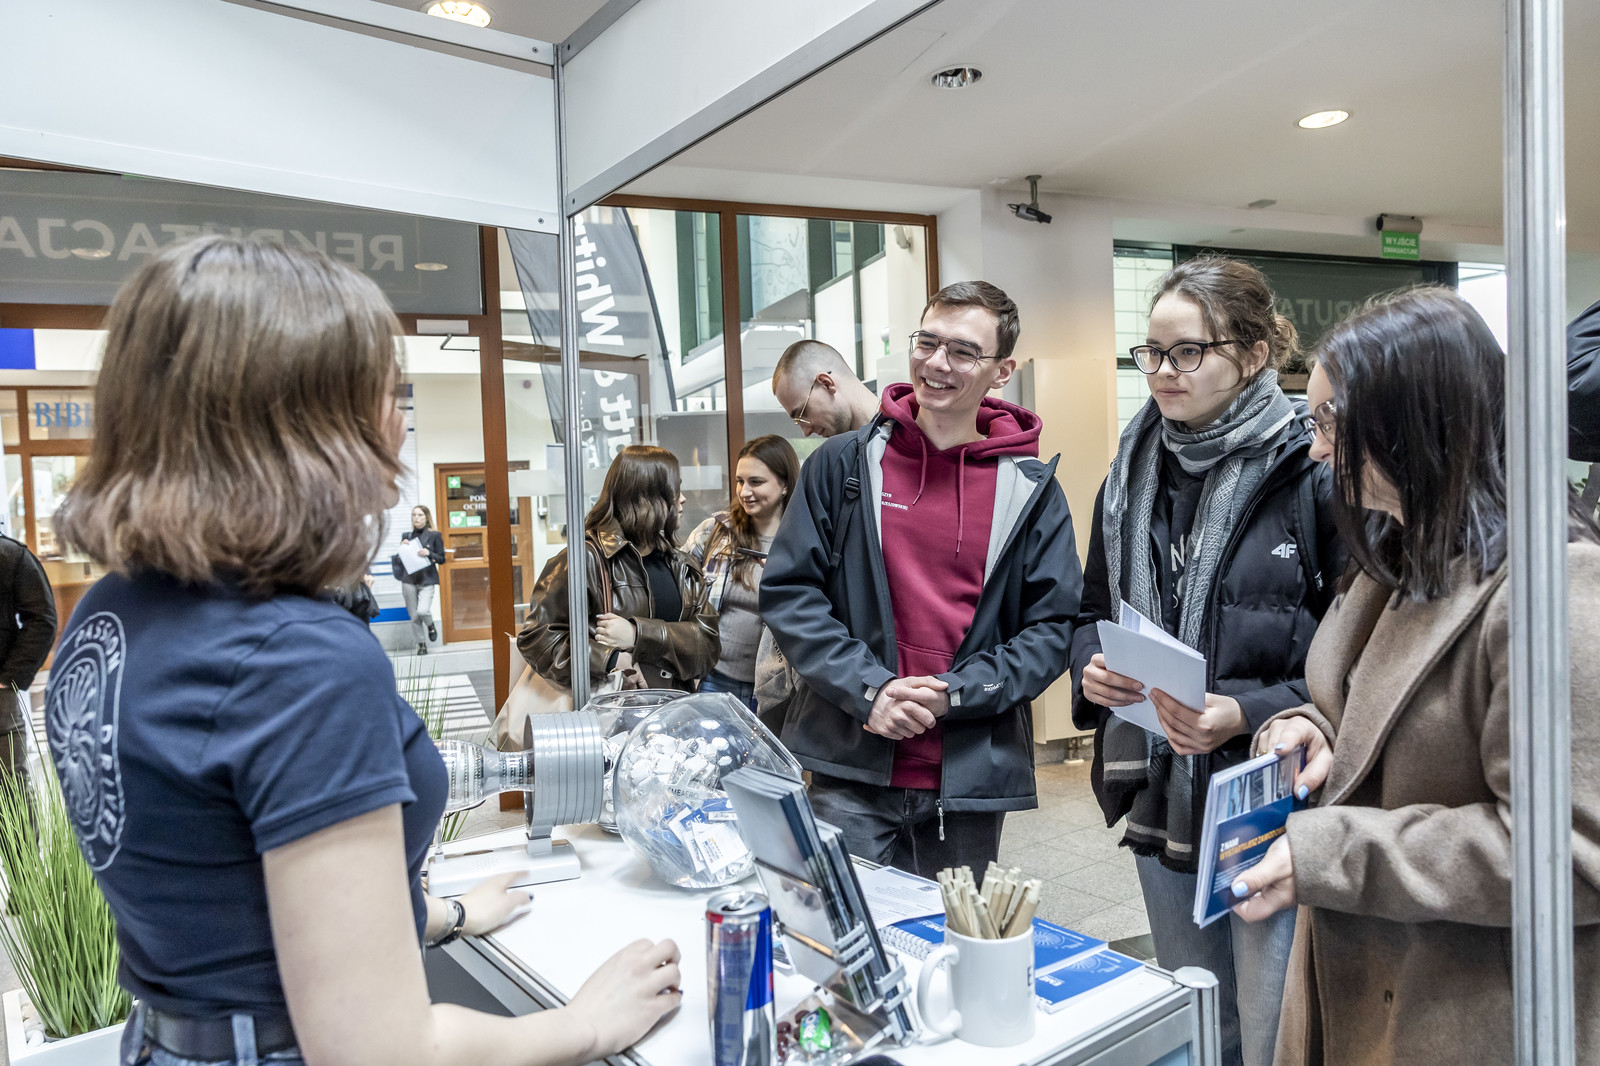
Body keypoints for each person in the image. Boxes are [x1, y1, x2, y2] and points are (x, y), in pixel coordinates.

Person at [46, 236, 680, 1066]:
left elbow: (232, 881)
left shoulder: (110, 612)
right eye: (384, 390)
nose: (397, 421)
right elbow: (380, 1049)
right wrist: (587, 1024)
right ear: (308, 421)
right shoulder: (298, 661)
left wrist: (447, 915)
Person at [1231, 287, 1600, 1066]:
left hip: (1466, 1006)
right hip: (1368, 981)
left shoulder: (1554, 586)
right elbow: (1372, 713)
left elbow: (1571, 855)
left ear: (1412, 423)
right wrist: (1313, 729)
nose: (1316, 451)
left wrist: (1336, 853)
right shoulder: (1394, 553)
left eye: (1331, 422)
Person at [1069, 256, 1339, 1066]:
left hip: (1272, 793)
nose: (1163, 371)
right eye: (1150, 352)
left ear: (1253, 354)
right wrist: (1092, 669)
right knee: (1200, 1014)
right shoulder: (1130, 475)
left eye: (1187, 351)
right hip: (1163, 794)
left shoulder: (1310, 470)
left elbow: (1356, 652)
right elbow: (1089, 612)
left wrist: (1246, 712)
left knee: (1274, 1025)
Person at [761, 280, 1081, 878]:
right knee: (839, 931)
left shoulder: (1031, 491)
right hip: (849, 765)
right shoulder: (842, 464)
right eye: (927, 342)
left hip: (967, 781)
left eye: (963, 351)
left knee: (949, 935)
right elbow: (791, 592)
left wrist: (956, 693)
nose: (936, 363)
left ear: (1002, 372)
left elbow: (1052, 629)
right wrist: (870, 689)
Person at [519, 444, 719, 693]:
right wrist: (610, 660)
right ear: (648, 496)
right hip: (613, 710)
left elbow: (708, 646)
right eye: (674, 490)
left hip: (674, 708)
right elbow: (537, 638)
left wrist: (638, 634)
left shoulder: (682, 565)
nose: (683, 498)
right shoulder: (584, 559)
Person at [683, 434, 800, 713]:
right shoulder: (715, 531)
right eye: (740, 481)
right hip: (713, 680)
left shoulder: (804, 542)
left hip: (777, 688)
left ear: (785, 484)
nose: (745, 491)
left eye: (756, 482)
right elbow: (676, 587)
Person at [0, 532, 56, 796]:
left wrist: (8, 679)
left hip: (1, 702)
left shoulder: (11, 555)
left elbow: (42, 621)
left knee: (12, 794)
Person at [770, 339, 879, 438]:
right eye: (798, 421)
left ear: (826, 384)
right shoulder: (846, 450)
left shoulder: (888, 436)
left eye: (803, 413)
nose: (806, 432)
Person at [392, 505, 445, 655]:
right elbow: (400, 560)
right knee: (414, 616)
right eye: (414, 515)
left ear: (426, 517)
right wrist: (401, 549)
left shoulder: (435, 536)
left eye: (420, 515)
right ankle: (421, 645)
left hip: (427, 579)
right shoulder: (407, 536)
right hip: (409, 580)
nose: (416, 518)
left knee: (423, 610)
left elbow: (442, 559)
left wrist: (429, 553)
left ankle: (430, 625)